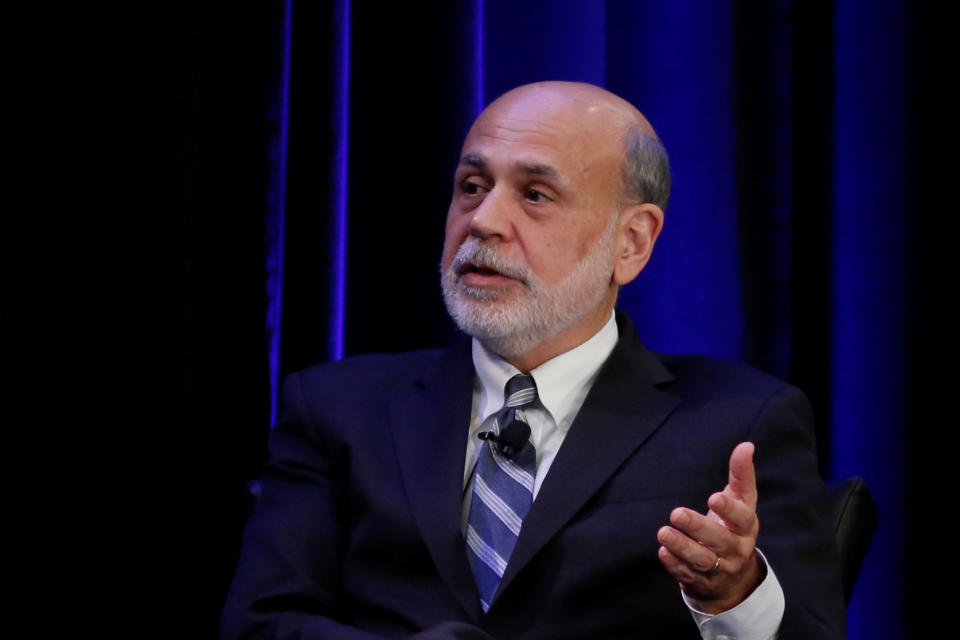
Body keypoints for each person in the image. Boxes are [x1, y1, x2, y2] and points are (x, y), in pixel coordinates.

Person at [222, 81, 845, 639]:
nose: (483, 220)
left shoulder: (738, 423)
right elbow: (262, 623)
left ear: (631, 242)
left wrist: (736, 597)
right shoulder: (337, 408)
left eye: (536, 195)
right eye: (471, 187)